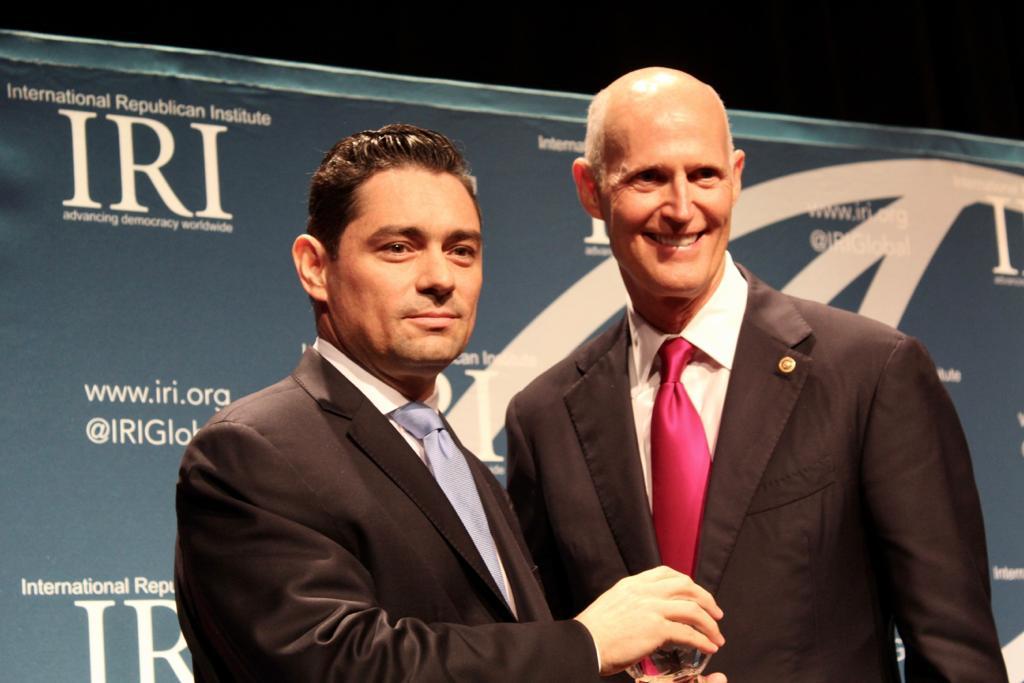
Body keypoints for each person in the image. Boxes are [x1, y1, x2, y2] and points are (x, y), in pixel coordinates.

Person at [174, 123, 728, 682]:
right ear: (315, 267)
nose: (440, 279)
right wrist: (586, 643)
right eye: (398, 247)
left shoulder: (458, 463)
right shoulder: (253, 450)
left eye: (461, 250)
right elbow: (339, 665)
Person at [506, 69, 1008, 682]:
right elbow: (553, 654)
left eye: (704, 175)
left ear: (737, 178)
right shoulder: (545, 416)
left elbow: (955, 656)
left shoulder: (870, 373)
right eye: (648, 178)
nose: (682, 208)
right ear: (590, 190)